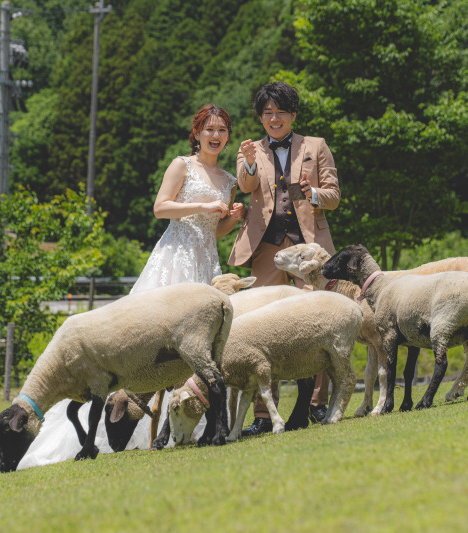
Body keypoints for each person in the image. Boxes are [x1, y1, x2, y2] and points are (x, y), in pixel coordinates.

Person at [228, 81, 340, 436]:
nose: (273, 119)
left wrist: (314, 193)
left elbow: (334, 195)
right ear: (260, 117)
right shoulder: (249, 150)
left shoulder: (316, 146)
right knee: (261, 325)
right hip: (266, 247)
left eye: (280, 112)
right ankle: (264, 414)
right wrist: (248, 163)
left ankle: (317, 404)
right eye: (267, 113)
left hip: (309, 247)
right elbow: (246, 187)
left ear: (293, 114)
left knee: (317, 319)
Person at [131, 103, 245, 294]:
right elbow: (160, 209)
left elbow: (215, 231)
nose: (216, 135)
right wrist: (203, 206)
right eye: (209, 129)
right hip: (176, 255)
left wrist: (234, 218)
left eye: (222, 130)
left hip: (207, 259)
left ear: (227, 136)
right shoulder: (181, 165)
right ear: (197, 133)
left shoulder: (230, 182)